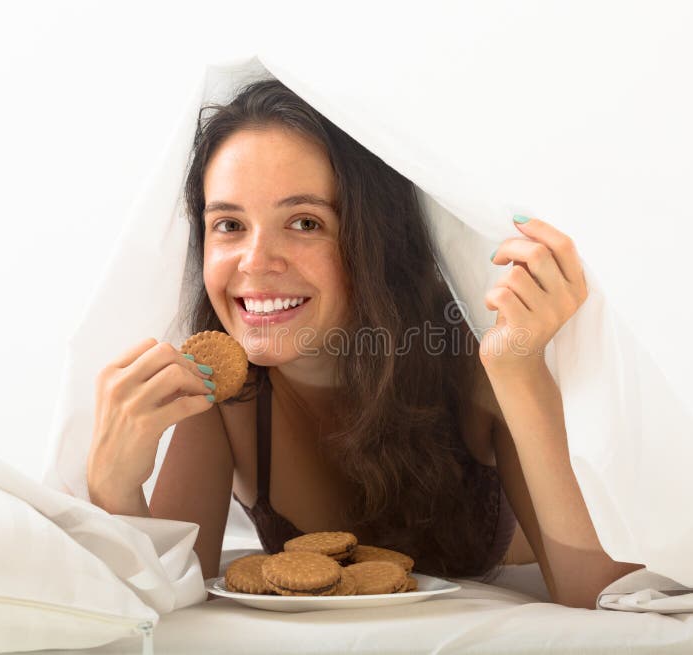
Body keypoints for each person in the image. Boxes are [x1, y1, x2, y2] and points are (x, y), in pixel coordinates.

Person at [86, 78, 644, 609]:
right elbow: (166, 600)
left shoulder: (477, 370)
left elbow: (597, 593)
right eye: (229, 225)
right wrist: (114, 488)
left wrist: (521, 369)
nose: (255, 263)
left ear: (374, 241)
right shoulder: (218, 396)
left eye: (305, 222)